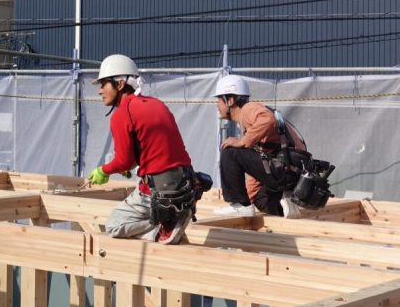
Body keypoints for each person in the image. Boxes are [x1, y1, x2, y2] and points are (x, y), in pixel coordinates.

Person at [87, 54, 198, 245]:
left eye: (104, 84)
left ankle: (164, 226)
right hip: (186, 186)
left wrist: (103, 170)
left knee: (113, 226)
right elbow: (156, 149)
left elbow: (123, 161)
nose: (100, 91)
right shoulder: (157, 104)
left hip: (158, 192)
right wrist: (130, 163)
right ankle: (171, 217)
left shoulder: (122, 113)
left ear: (120, 84)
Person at [211, 74, 302, 218]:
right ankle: (287, 204)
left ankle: (239, 205)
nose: (217, 105)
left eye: (219, 100)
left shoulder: (248, 109)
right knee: (260, 200)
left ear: (230, 100)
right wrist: (249, 198)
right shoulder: (249, 124)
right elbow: (260, 163)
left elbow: (268, 119)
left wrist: (242, 141)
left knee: (230, 151)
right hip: (291, 171)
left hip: (287, 169)